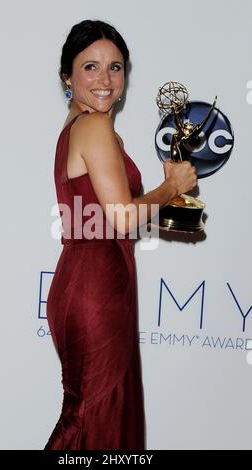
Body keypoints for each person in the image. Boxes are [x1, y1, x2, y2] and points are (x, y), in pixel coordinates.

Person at [44, 19, 197, 450]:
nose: (106, 79)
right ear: (67, 79)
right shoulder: (94, 127)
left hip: (93, 278)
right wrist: (173, 187)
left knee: (93, 415)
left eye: (116, 67)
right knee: (95, 418)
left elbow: (115, 217)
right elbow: (123, 219)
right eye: (90, 67)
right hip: (95, 284)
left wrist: (166, 205)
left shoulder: (79, 128)